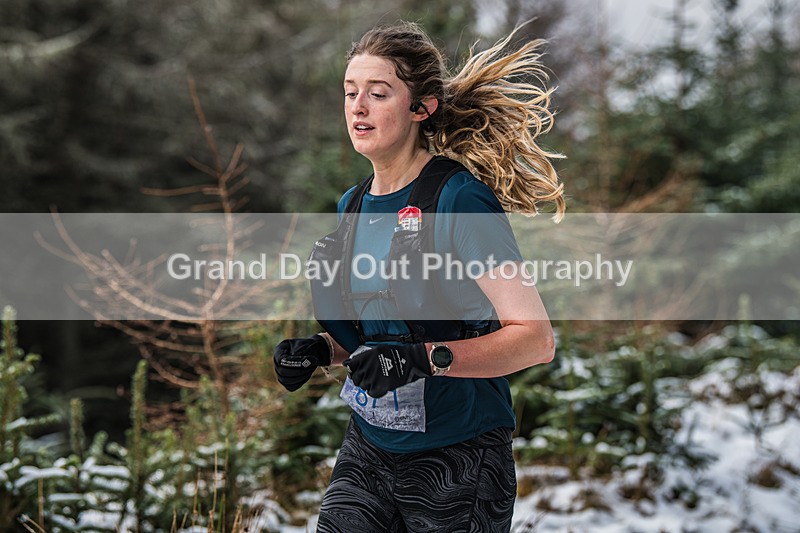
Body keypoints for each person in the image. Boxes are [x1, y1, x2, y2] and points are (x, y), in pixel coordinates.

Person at [274, 21, 565, 532]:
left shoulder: (458, 200)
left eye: (378, 93)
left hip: (460, 454)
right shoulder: (355, 204)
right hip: (370, 446)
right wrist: (322, 351)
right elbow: (382, 336)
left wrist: (423, 360)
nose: (357, 107)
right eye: (350, 93)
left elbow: (535, 339)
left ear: (421, 107)